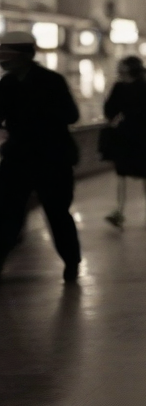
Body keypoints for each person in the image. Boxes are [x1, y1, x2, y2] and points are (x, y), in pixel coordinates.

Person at [0, 30, 81, 282]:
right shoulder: (7, 83)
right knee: (7, 212)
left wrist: (34, 120)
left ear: (24, 55)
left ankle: (71, 262)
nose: (2, 60)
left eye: (6, 55)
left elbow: (71, 115)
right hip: (20, 157)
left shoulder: (51, 81)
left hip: (51, 157)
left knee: (57, 213)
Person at [103, 56, 146, 230]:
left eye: (122, 65)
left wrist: (117, 119)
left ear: (128, 69)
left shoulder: (119, 87)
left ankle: (120, 211)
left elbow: (109, 109)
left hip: (126, 133)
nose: (118, 67)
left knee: (122, 174)